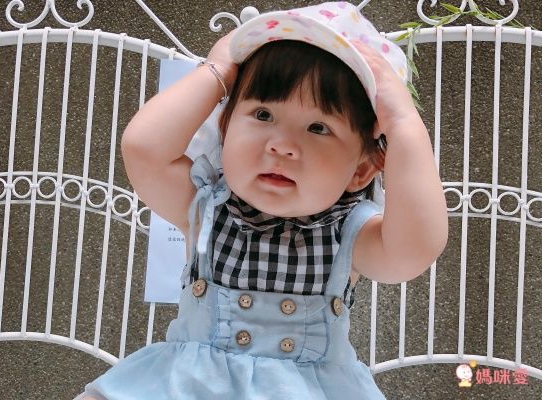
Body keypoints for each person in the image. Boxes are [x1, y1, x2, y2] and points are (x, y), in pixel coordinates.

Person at [79, 2, 448, 399]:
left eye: (318, 128)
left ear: (361, 170)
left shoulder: (351, 234)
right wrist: (218, 71)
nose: (282, 145)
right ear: (225, 129)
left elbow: (416, 247)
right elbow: (143, 150)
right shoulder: (208, 207)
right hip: (185, 386)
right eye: (263, 115)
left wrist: (403, 124)